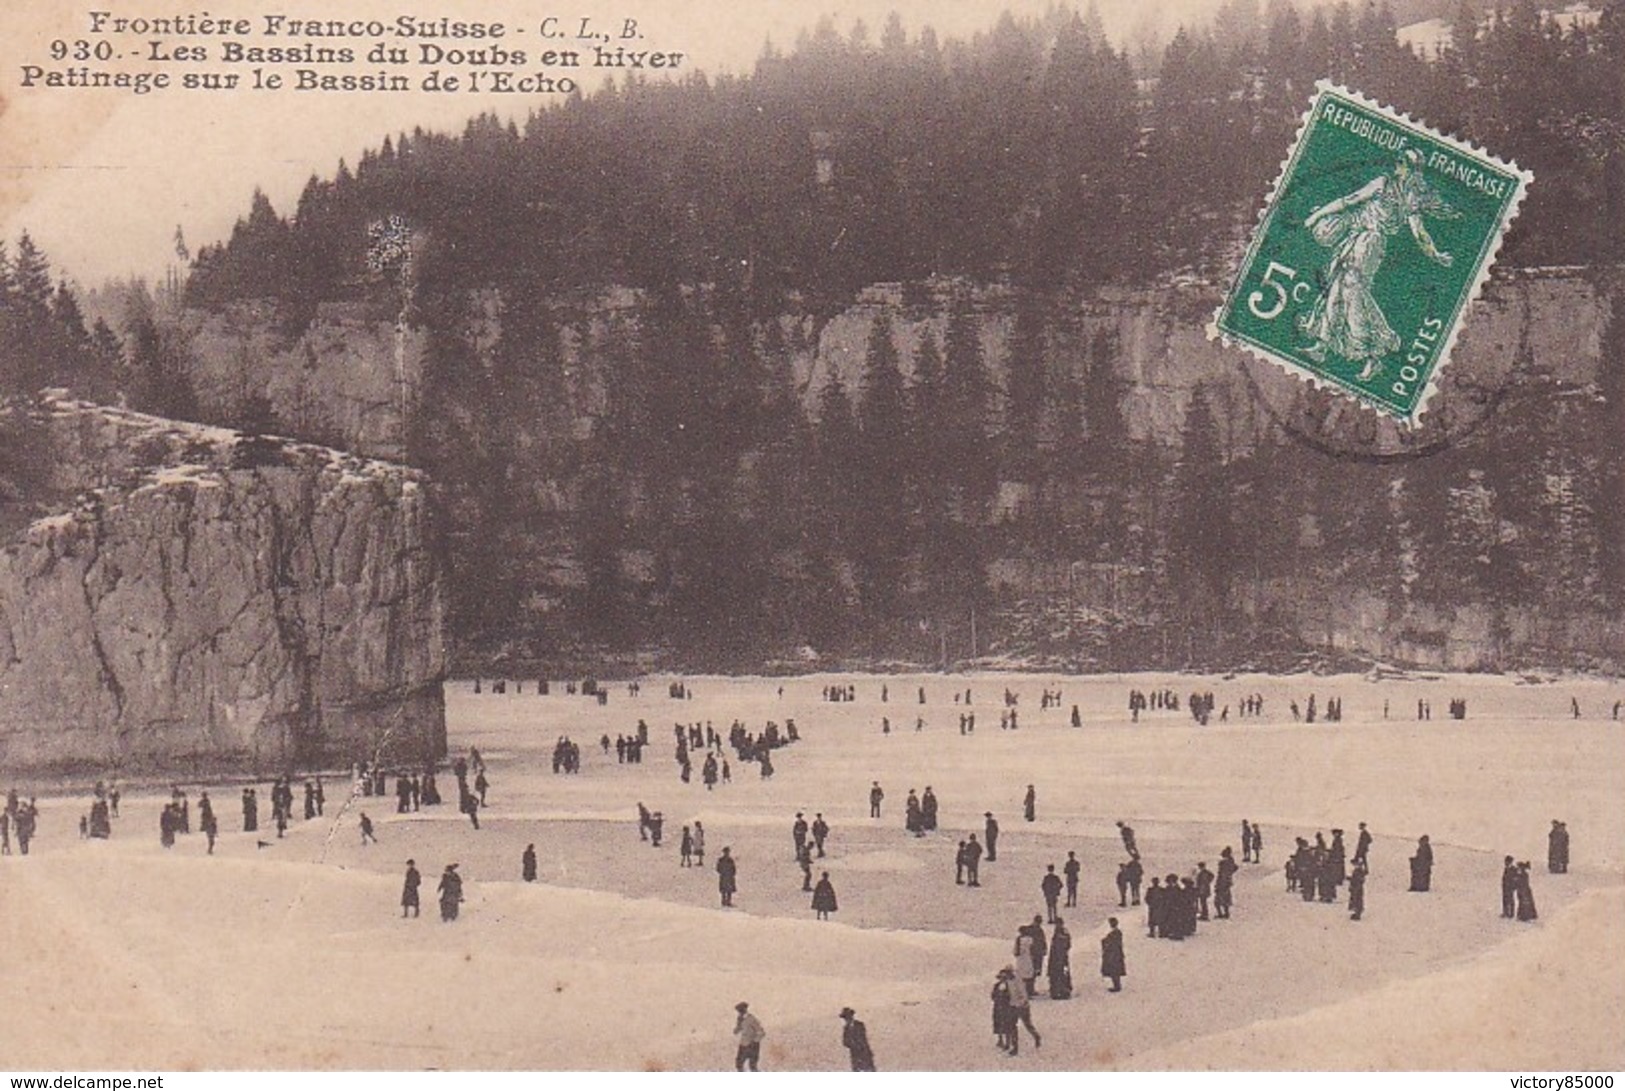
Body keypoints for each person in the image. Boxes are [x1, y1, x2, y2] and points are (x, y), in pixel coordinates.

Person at [1299, 147, 1460, 380]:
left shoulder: (1401, 193)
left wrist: (1435, 254)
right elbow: (1349, 201)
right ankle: (1323, 346)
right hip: (1357, 238)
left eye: (1402, 162)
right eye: (1399, 160)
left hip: (1369, 243)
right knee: (1338, 288)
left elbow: (1419, 232)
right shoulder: (1393, 187)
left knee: (1353, 293)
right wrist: (1317, 216)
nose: (1397, 164)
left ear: (1411, 169)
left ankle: (1374, 352)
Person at [733, 1002, 765, 1071]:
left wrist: (754, 1041)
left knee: (753, 1066)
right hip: (743, 1045)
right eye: (739, 1011)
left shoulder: (752, 1019)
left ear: (745, 1010)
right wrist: (738, 1025)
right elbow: (736, 1032)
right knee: (739, 1064)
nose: (740, 1013)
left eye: (741, 1010)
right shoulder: (740, 1019)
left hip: (752, 1046)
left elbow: (761, 1032)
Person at [1047, 918, 1073, 1000]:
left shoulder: (1063, 933)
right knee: (1057, 974)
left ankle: (1063, 991)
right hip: (1056, 957)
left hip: (1060, 957)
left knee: (1062, 974)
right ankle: (1057, 990)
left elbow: (1067, 944)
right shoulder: (1059, 932)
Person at [1100, 917, 1126, 992]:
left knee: (1114, 970)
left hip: (1113, 955)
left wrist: (1104, 942)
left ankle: (1117, 986)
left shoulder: (1114, 934)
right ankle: (1117, 985)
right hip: (1116, 954)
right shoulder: (1117, 933)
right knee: (1115, 970)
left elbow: (1110, 943)